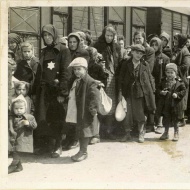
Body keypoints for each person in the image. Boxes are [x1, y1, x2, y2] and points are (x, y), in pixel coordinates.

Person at [32, 24, 71, 158]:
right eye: (44, 35)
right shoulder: (44, 51)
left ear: (54, 35)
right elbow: (39, 72)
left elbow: (66, 72)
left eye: (49, 35)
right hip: (43, 90)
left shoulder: (63, 50)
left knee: (57, 118)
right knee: (43, 118)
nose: (47, 38)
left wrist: (62, 93)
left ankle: (57, 146)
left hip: (56, 91)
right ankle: (46, 146)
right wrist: (34, 92)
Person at [118, 44, 156, 143]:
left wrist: (152, 90)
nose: (138, 55)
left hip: (140, 92)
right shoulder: (126, 63)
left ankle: (141, 132)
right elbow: (121, 78)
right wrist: (121, 93)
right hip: (128, 92)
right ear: (132, 52)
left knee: (140, 113)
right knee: (128, 114)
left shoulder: (144, 65)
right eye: (137, 53)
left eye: (141, 54)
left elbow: (149, 78)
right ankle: (127, 133)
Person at [66, 57, 100, 162]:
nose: (76, 71)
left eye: (79, 69)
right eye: (75, 69)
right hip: (78, 109)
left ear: (85, 69)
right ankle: (81, 150)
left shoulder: (90, 82)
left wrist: (92, 109)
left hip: (86, 111)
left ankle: (84, 151)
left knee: (85, 131)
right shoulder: (76, 80)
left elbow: (94, 97)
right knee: (80, 130)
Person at [93, 25, 121, 139]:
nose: (109, 38)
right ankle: (98, 133)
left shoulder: (116, 47)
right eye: (107, 35)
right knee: (101, 103)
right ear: (103, 35)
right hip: (102, 76)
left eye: (111, 35)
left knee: (111, 103)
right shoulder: (97, 45)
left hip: (113, 78)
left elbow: (117, 61)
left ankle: (109, 131)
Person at [133, 31, 155, 133]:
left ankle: (149, 125)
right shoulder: (133, 49)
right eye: (136, 38)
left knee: (147, 103)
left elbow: (149, 66)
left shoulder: (149, 50)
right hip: (135, 79)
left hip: (145, 77)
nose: (138, 40)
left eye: (140, 38)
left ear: (144, 39)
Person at [157, 63, 186, 141]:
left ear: (175, 73)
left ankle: (176, 133)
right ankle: (166, 132)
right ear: (165, 72)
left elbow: (184, 91)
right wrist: (161, 92)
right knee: (166, 118)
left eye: (171, 73)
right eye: (168, 72)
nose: (169, 74)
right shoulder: (163, 81)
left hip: (175, 104)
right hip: (166, 104)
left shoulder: (179, 81)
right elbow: (158, 89)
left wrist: (177, 94)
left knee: (175, 119)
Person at [8, 96, 37, 174]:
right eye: (16, 109)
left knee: (17, 152)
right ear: (12, 109)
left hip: (22, 138)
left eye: (21, 108)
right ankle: (19, 166)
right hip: (13, 137)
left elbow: (34, 126)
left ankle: (13, 165)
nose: (18, 111)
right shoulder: (10, 117)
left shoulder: (29, 117)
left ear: (25, 108)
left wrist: (28, 123)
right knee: (15, 151)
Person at [150, 37, 170, 134]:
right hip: (151, 83)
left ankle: (159, 123)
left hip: (160, 83)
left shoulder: (165, 58)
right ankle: (151, 123)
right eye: (152, 45)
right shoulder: (149, 56)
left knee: (160, 102)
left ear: (160, 46)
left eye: (156, 45)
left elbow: (167, 73)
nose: (154, 47)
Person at [171, 33, 190, 127]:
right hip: (175, 77)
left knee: (181, 99)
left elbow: (186, 66)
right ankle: (176, 118)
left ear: (181, 41)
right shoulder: (176, 50)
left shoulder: (185, 51)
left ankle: (181, 119)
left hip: (181, 78)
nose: (174, 41)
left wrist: (174, 68)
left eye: (176, 39)